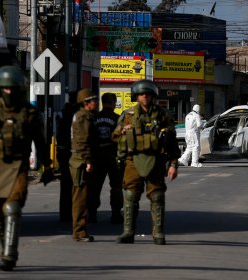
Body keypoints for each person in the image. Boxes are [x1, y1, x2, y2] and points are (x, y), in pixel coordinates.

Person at [0, 65, 53, 271]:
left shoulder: (29, 114)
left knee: (12, 208)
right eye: (5, 89)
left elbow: (41, 142)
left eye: (13, 88)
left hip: (18, 167)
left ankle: (9, 255)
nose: (9, 92)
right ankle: (5, 245)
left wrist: (47, 166)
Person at [112, 79, 181, 245]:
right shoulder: (127, 116)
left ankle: (158, 233)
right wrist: (123, 131)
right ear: (136, 96)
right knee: (130, 195)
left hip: (156, 160)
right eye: (142, 94)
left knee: (157, 196)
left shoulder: (163, 116)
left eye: (148, 94)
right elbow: (114, 136)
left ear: (153, 96)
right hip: (132, 160)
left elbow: (172, 142)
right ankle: (128, 232)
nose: (145, 97)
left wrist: (173, 164)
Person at [88, 93, 123, 224]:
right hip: (113, 156)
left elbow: (89, 138)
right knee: (116, 186)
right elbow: (121, 139)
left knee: (94, 186)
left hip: (97, 156)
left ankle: (91, 214)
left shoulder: (94, 118)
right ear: (113, 103)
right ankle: (116, 214)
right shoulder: (117, 118)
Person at [69, 88, 98, 242]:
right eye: (93, 100)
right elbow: (82, 141)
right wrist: (88, 161)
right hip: (80, 162)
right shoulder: (83, 118)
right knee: (80, 198)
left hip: (79, 160)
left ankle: (81, 230)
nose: (96, 103)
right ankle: (79, 232)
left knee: (82, 197)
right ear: (86, 103)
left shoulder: (84, 116)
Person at [56, 103, 73, 222]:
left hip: (62, 153)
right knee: (72, 186)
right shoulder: (70, 122)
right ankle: (69, 213)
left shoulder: (62, 121)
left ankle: (64, 214)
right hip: (68, 154)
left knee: (65, 186)